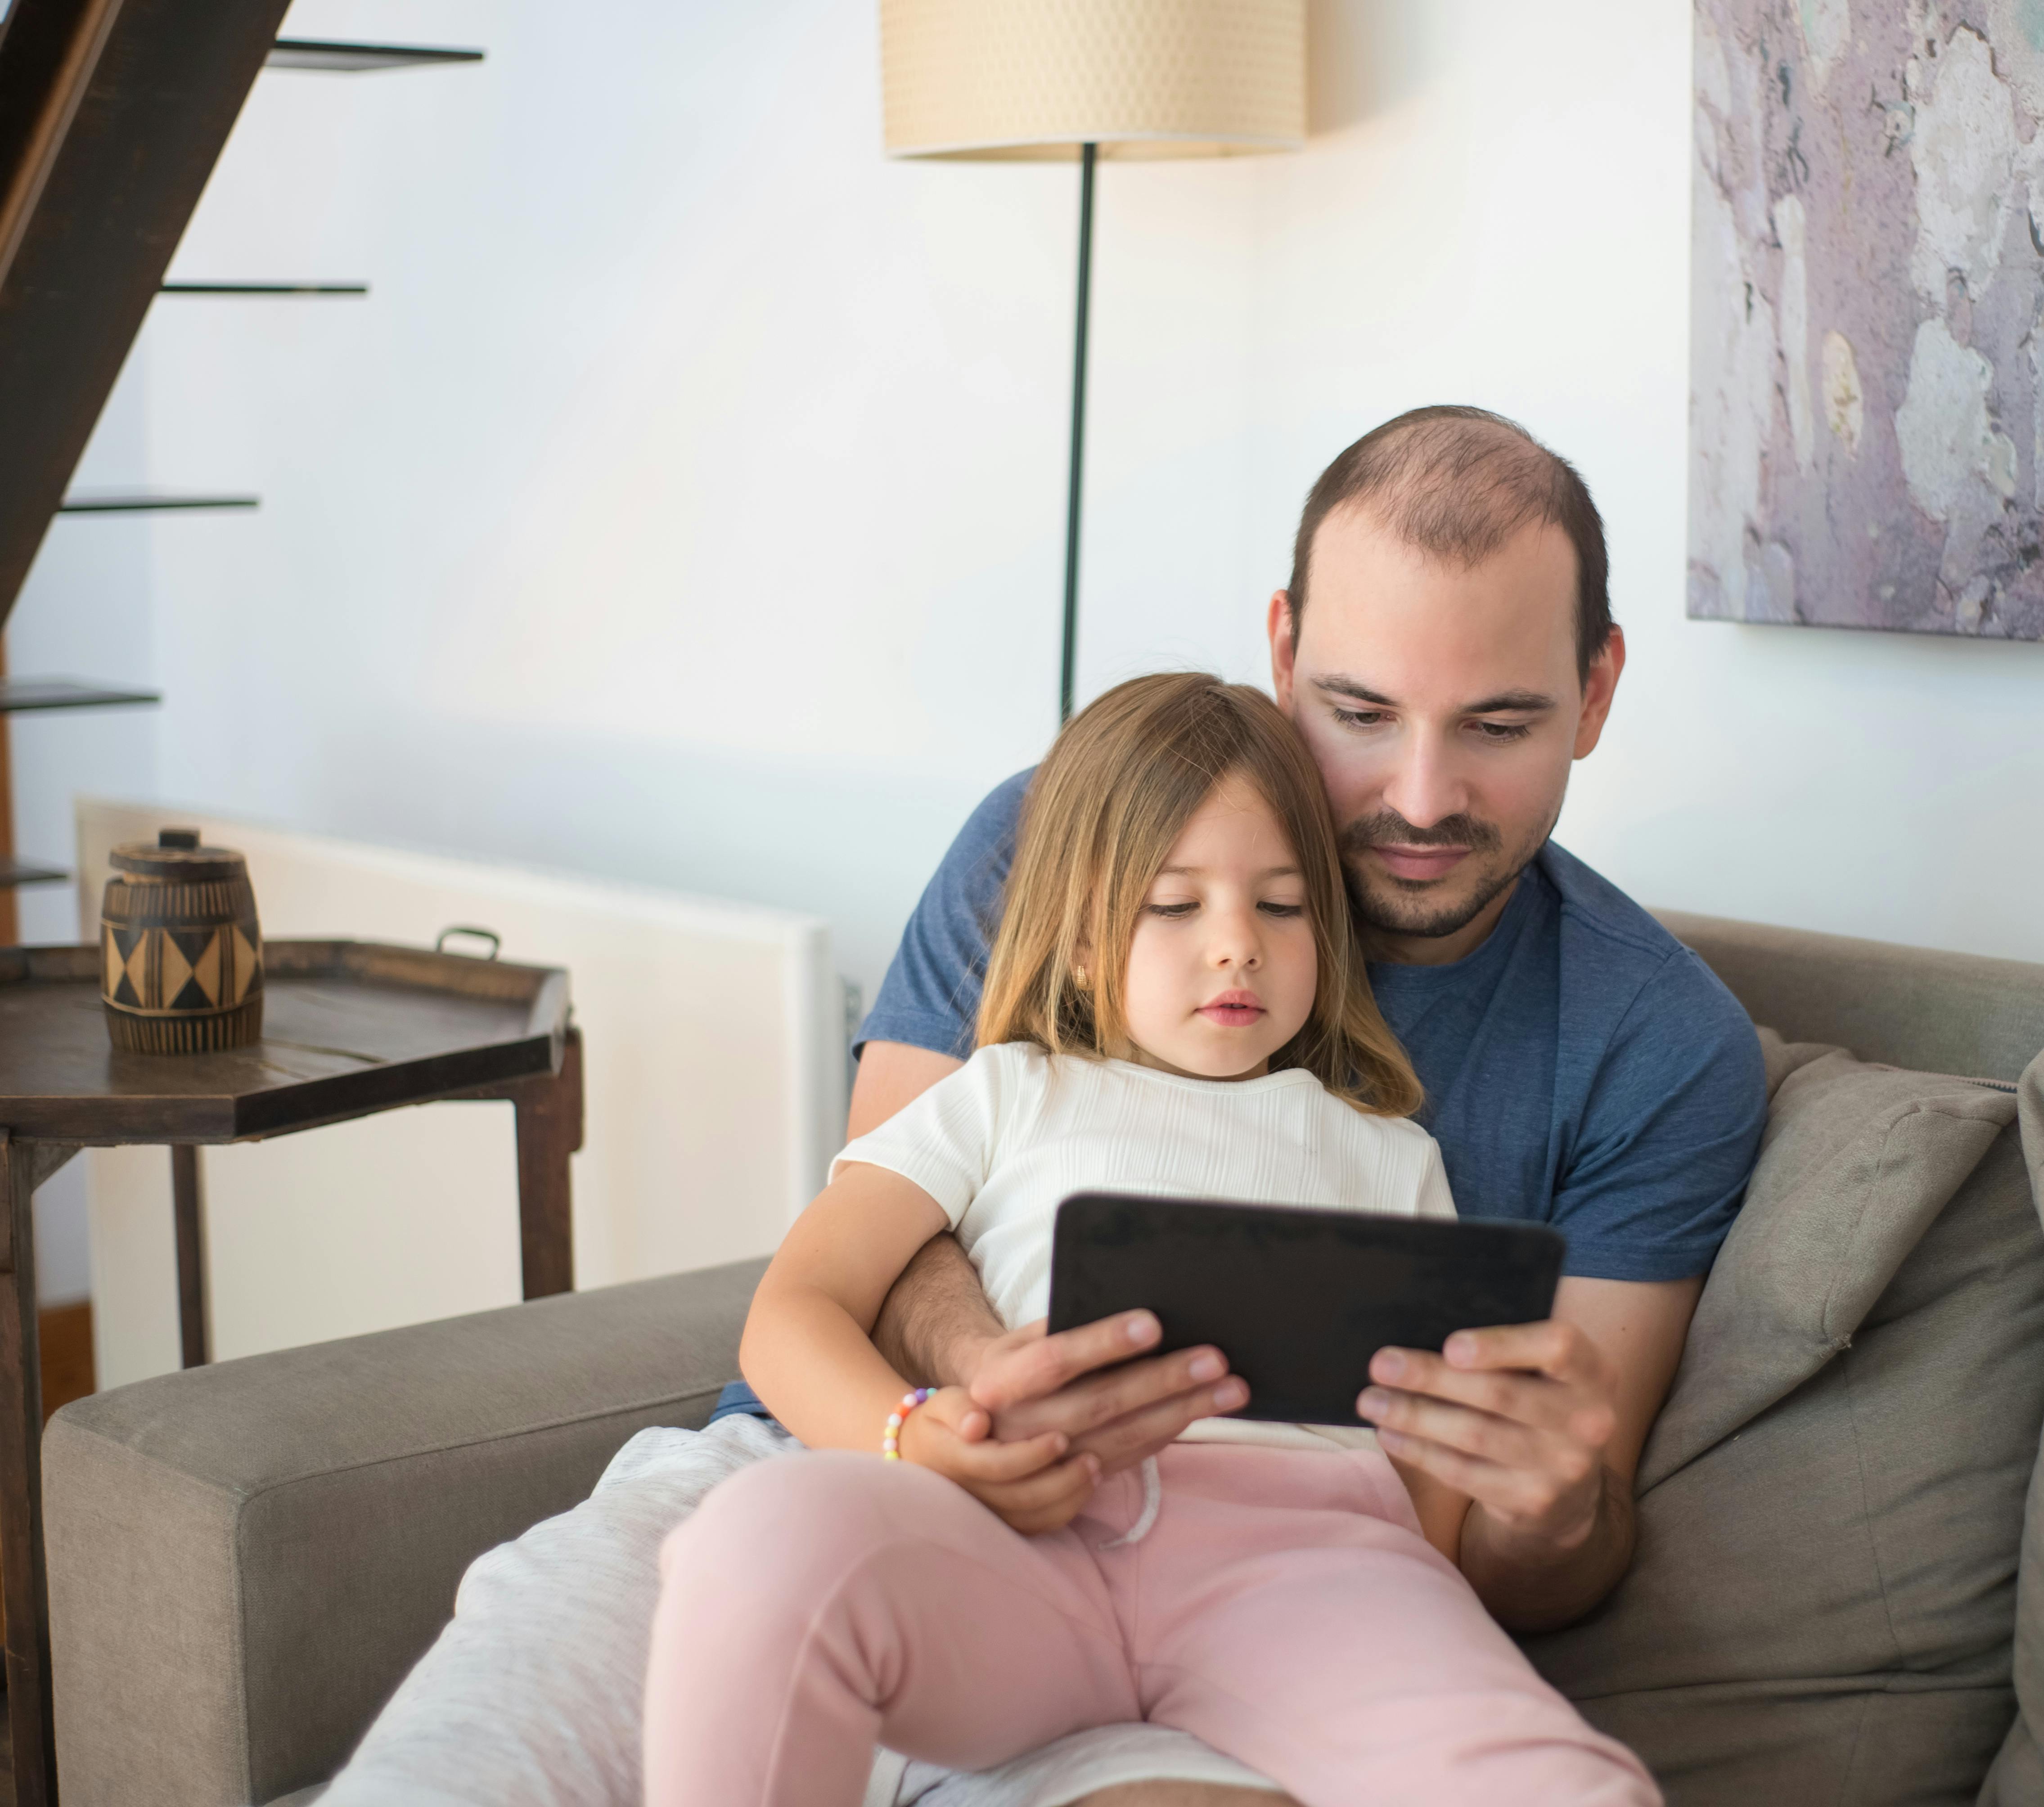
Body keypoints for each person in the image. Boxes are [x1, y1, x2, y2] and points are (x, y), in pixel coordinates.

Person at [321, 406, 1763, 1807]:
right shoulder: (1063, 838)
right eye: (1361, 713)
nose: (1423, 795)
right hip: (868, 1492)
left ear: (1596, 691)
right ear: (1282, 651)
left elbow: (1484, 1549)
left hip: (1264, 1598)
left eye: (1498, 723)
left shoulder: (1638, 1055)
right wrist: (960, 1406)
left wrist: (1546, 1502)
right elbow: (859, 1267)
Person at [644, 672, 1658, 1807]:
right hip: (1019, 1545)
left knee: (1564, 1787)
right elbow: (798, 1306)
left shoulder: (1392, 1156)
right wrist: (911, 1438)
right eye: (1175, 905)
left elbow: (1430, 1496)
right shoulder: (1003, 1093)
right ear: (1081, 940)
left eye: (1281, 906)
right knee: (757, 1542)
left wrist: (1501, 1510)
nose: (1236, 945)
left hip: (1305, 1579)